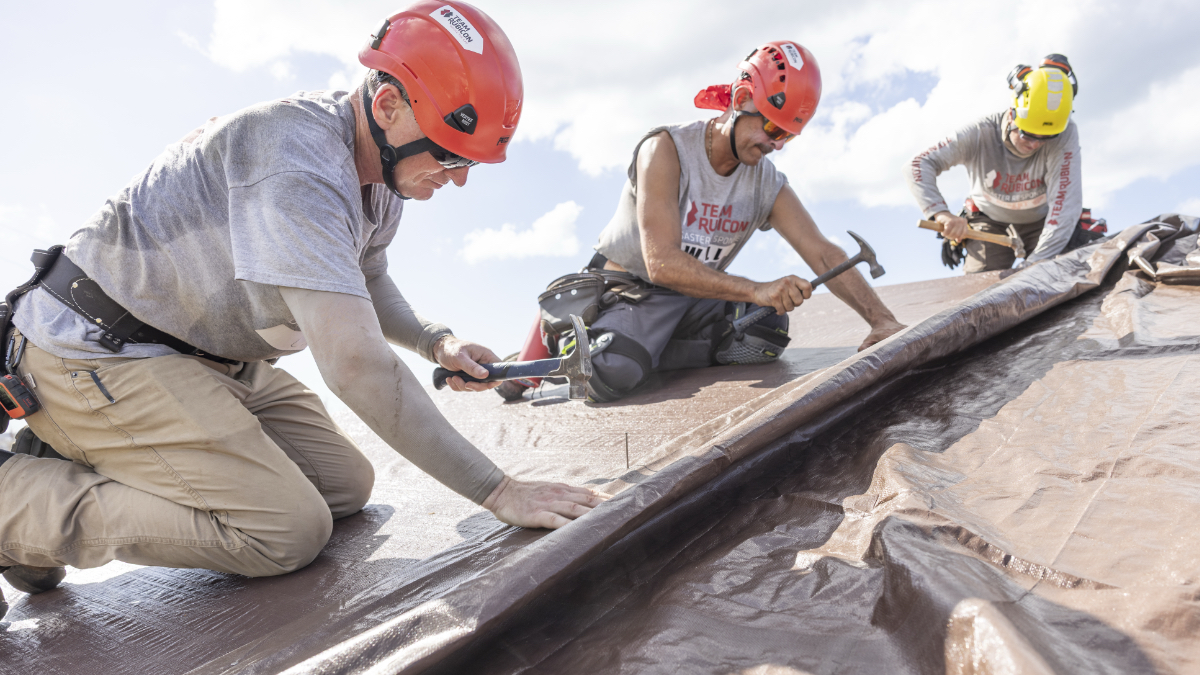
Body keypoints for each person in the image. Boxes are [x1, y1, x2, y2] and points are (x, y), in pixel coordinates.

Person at [0, 1, 604, 619]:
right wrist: (498, 490)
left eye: (468, 161)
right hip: (98, 351)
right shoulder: (296, 162)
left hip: (203, 356)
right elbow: (356, 366)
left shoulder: (380, 172)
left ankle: (75, 449)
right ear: (388, 106)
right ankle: (13, 504)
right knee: (285, 531)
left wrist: (435, 343)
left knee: (345, 486)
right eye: (450, 156)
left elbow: (366, 276)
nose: (458, 180)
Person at [499, 41, 905, 403]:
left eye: (786, 136)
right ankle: (572, 337)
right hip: (630, 292)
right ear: (742, 98)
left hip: (690, 300)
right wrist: (758, 288)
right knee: (614, 371)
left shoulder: (765, 181)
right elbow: (662, 264)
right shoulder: (666, 149)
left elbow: (821, 251)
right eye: (769, 127)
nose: (774, 145)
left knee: (767, 329)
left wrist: (881, 320)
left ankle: (639, 348)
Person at [906, 54, 1099, 273]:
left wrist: (1031, 268)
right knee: (979, 292)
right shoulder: (980, 134)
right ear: (1013, 114)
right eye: (1028, 135)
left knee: (1064, 277)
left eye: (1045, 138)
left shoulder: (1064, 133)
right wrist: (941, 213)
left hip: (1044, 222)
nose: (1036, 144)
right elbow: (917, 164)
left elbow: (1064, 210)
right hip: (990, 222)